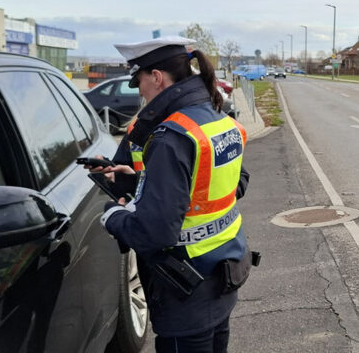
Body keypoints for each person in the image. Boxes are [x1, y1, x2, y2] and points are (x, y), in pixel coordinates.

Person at [91, 36, 251, 353]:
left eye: (139, 83)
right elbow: (223, 184)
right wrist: (145, 180)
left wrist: (114, 217)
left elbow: (155, 233)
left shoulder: (170, 136)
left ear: (157, 77)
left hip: (185, 292)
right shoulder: (217, 120)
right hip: (224, 275)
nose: (140, 93)